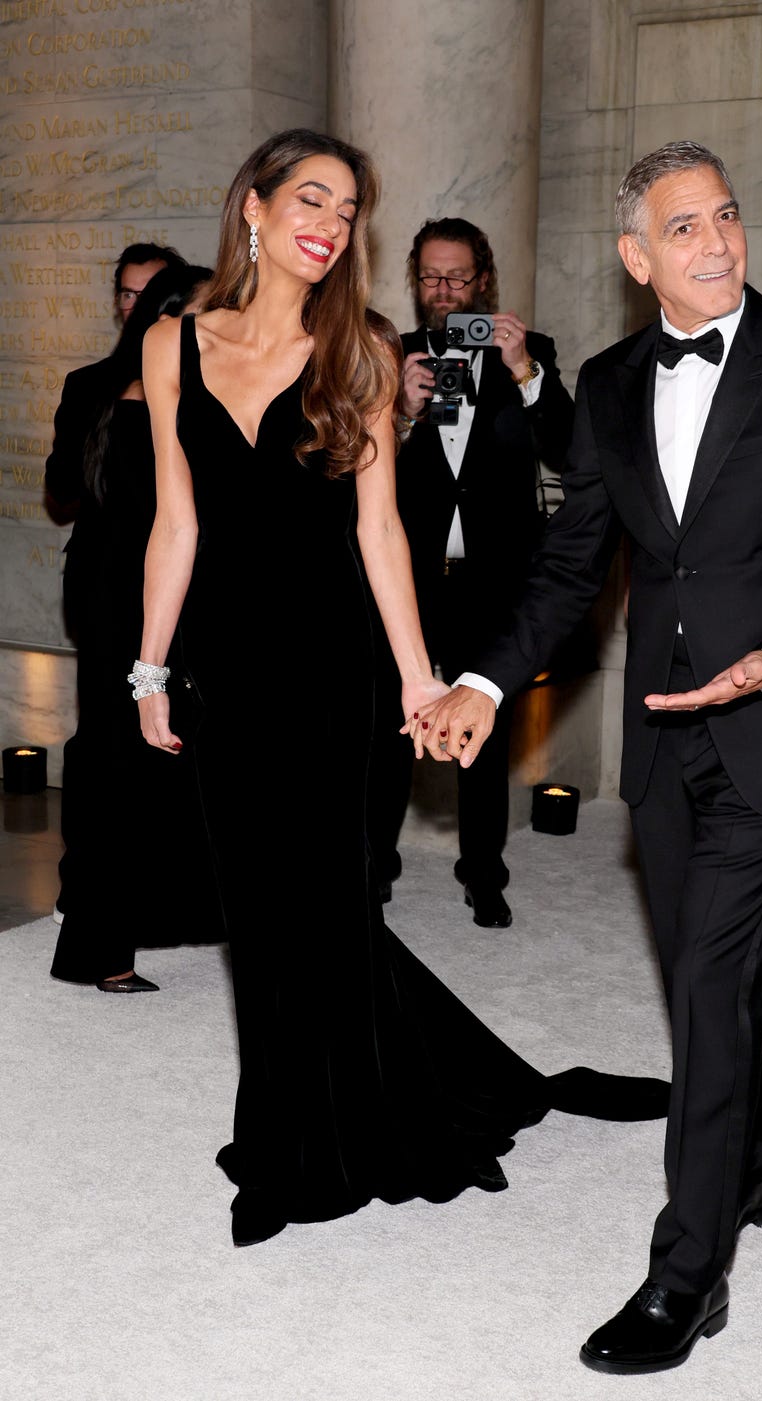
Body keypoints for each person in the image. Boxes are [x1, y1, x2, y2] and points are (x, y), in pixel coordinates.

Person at [416, 142, 762, 1372]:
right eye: (682, 227)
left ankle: (686, 1273)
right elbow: (573, 563)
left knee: (702, 986)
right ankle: (748, 1158)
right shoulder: (610, 379)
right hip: (660, 743)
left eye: (726, 216)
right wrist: (481, 678)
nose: (716, 242)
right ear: (638, 258)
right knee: (712, 985)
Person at [133, 129, 667, 1248]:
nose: (329, 223)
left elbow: (379, 532)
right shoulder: (172, 344)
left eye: (347, 209)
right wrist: (148, 669)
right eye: (311, 198)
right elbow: (173, 523)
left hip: (333, 670)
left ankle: (305, 1150)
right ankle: (286, 1120)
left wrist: (423, 678)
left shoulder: (362, 351)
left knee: (323, 908)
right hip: (222, 672)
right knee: (257, 916)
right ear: (255, 206)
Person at [367, 218, 574, 928]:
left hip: (496, 576)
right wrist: (397, 413)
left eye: (457, 276)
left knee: (485, 730)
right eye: (431, 276)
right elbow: (355, 478)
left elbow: (573, 450)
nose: (444, 290)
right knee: (393, 727)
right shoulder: (393, 354)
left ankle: (484, 873)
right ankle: (374, 870)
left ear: (483, 278)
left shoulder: (531, 351)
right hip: (413, 578)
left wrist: (524, 372)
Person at [49, 264, 217, 992]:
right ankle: (104, 943)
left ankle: (132, 928)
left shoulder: (99, 384)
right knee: (128, 761)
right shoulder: (182, 395)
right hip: (141, 592)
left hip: (124, 587)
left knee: (138, 758)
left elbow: (67, 489)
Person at [46, 244, 187, 529]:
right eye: (128, 295)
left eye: (149, 295)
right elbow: (62, 488)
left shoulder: (201, 380)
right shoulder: (86, 384)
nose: (136, 307)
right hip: (102, 560)